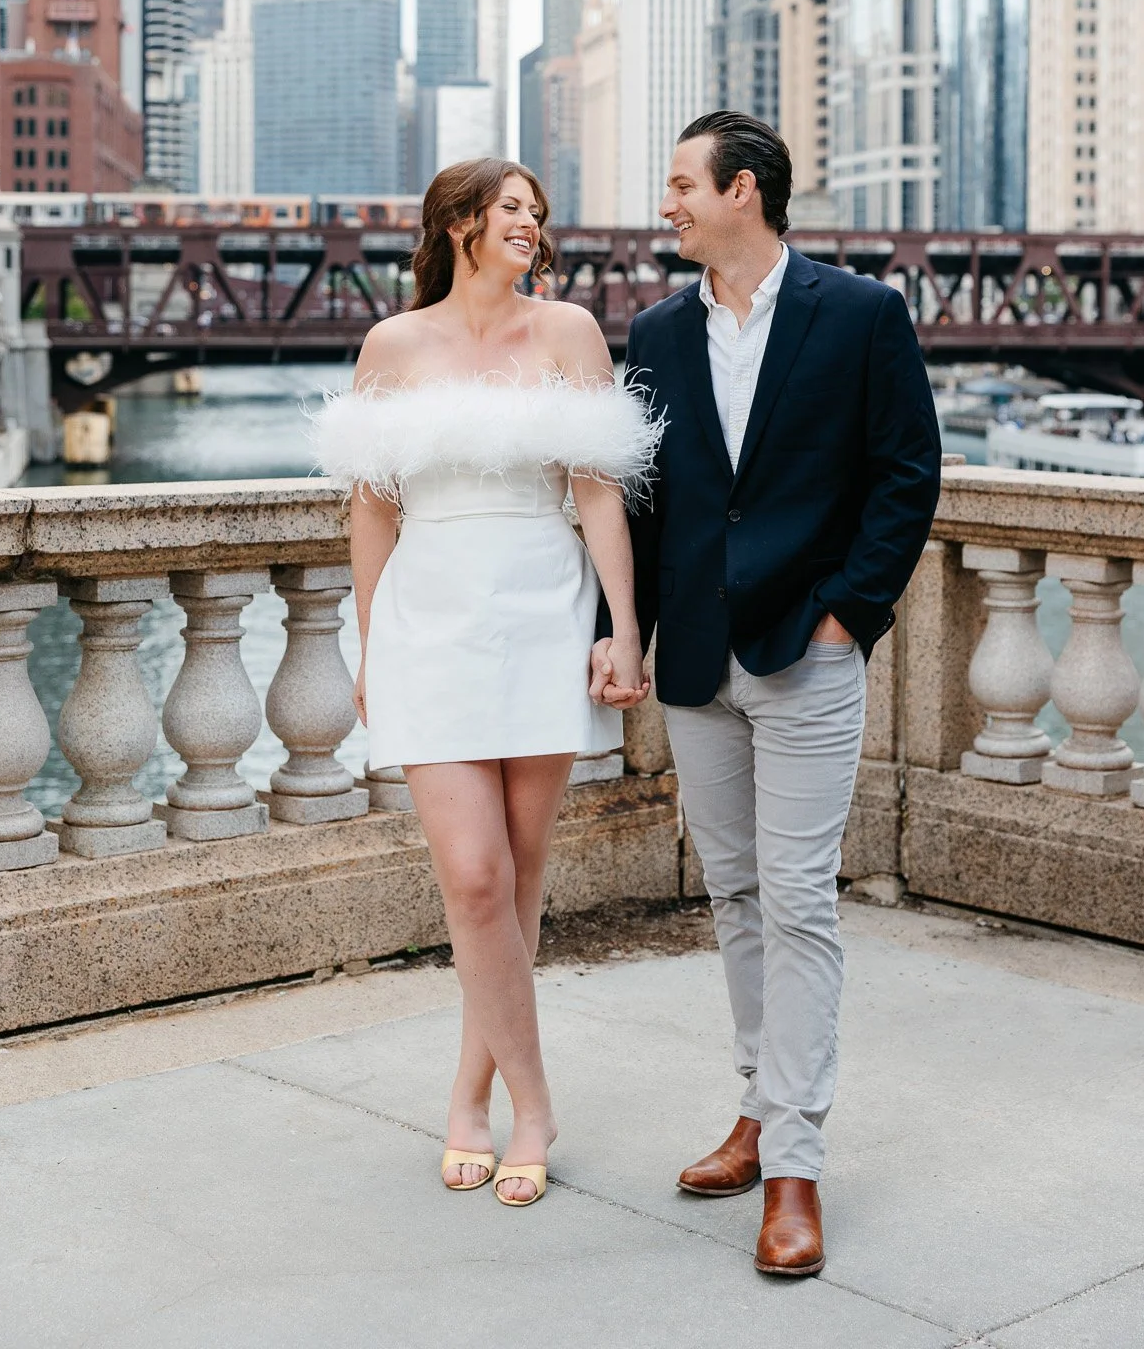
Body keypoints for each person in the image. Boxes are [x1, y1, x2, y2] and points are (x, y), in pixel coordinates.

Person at [592, 112, 940, 1276]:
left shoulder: (861, 314)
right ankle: (758, 1105)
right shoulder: (654, 330)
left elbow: (906, 472)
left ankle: (794, 1161)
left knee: (798, 899)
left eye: (683, 183)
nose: (669, 205)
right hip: (693, 660)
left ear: (743, 190)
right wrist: (621, 634)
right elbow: (640, 501)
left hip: (808, 649)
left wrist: (849, 612)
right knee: (736, 895)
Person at [313, 158, 658, 1208]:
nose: (531, 223)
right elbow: (373, 509)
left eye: (537, 212)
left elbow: (600, 495)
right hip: (429, 616)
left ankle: (472, 1098)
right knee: (471, 876)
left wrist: (623, 629)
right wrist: (371, 644)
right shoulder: (392, 345)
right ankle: (536, 1103)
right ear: (458, 220)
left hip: (541, 608)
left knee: (517, 873)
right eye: (511, 206)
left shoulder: (571, 334)